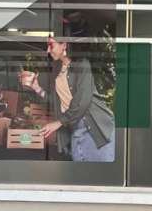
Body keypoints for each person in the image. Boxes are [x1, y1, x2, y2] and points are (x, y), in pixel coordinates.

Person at [18, 32, 115, 162]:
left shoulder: (82, 65)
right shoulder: (58, 69)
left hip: (95, 128)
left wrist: (58, 123)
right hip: (75, 128)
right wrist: (37, 88)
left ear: (64, 45)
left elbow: (82, 102)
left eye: (51, 46)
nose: (48, 50)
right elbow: (58, 103)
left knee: (101, 175)